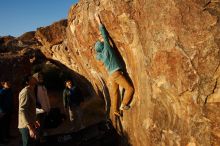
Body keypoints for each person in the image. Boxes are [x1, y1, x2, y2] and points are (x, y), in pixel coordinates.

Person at [94, 14, 134, 117]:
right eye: (101, 42)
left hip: (111, 75)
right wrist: (99, 22)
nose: (102, 41)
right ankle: (124, 105)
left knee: (115, 93)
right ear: (103, 46)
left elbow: (97, 52)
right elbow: (105, 35)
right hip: (116, 73)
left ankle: (115, 110)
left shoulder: (100, 56)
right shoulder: (107, 49)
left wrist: (100, 43)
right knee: (130, 89)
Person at [18, 74, 40, 146]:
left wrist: (35, 120)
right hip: (26, 126)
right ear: (27, 82)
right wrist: (30, 128)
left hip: (31, 122)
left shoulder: (31, 90)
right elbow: (22, 110)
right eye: (31, 78)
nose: (34, 78)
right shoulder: (25, 92)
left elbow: (30, 109)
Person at [32, 72, 50, 141]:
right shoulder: (35, 87)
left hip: (44, 109)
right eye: (39, 77)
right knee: (38, 125)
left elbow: (46, 97)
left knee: (42, 124)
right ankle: (38, 139)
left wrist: (48, 107)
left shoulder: (43, 86)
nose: (41, 78)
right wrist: (37, 107)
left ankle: (41, 137)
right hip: (38, 110)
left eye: (41, 76)